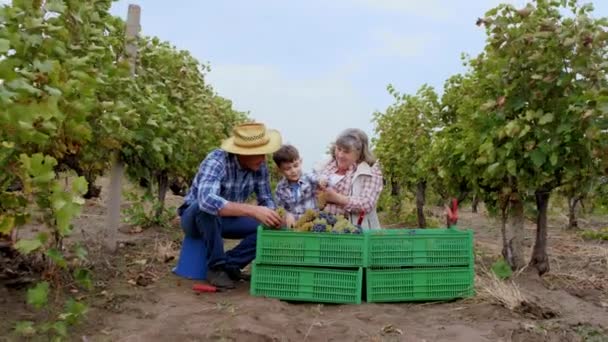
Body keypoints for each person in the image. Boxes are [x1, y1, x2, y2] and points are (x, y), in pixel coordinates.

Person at [178, 122, 283, 289]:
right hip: (195, 220)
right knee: (204, 207)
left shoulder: (259, 166)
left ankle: (230, 264)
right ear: (241, 153)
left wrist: (273, 214)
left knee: (271, 224)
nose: (263, 158)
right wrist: (252, 210)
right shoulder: (216, 161)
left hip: (229, 219)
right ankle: (216, 267)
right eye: (258, 153)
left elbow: (266, 199)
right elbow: (206, 200)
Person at [315, 128, 383, 230]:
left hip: (354, 233)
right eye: (338, 149)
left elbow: (367, 203)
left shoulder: (370, 171)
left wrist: (336, 198)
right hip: (324, 228)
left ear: (359, 153)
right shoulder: (326, 166)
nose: (340, 155)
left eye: (346, 151)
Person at [272, 144, 319, 227]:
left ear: (300, 162)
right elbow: (280, 208)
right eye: (288, 169)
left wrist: (322, 180)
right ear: (280, 170)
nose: (293, 171)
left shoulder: (309, 178)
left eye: (296, 165)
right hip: (294, 226)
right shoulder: (280, 188)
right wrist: (286, 215)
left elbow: (321, 180)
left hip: (313, 224)